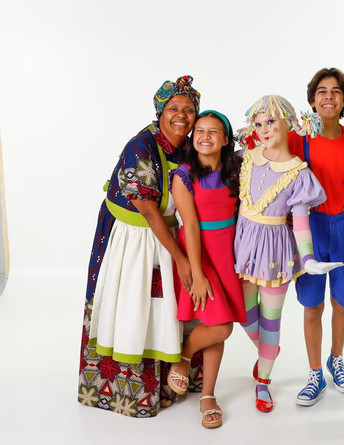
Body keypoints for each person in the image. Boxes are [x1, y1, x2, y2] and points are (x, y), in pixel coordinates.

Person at [78, 76, 200, 418]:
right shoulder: (141, 147)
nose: (181, 116)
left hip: (166, 235)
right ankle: (131, 392)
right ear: (160, 112)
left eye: (189, 110)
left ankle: (169, 382)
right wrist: (181, 259)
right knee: (133, 308)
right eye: (173, 108)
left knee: (165, 308)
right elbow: (147, 209)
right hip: (133, 238)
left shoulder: (188, 146)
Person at [235, 95, 342, 412]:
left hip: (276, 254)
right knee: (244, 314)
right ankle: (268, 350)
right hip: (243, 248)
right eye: (258, 123)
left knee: (270, 320)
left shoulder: (299, 173)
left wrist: (308, 259)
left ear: (289, 123)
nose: (264, 129)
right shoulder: (247, 157)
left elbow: (301, 223)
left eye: (271, 121)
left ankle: (263, 382)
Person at [288, 68, 344, 406]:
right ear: (312, 100)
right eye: (321, 91)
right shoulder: (297, 139)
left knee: (343, 301)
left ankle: (337, 359)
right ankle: (315, 372)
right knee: (311, 304)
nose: (328, 97)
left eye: (335, 91)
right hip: (309, 227)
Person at [167, 110, 244, 428]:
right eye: (199, 130)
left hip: (226, 254)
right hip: (199, 251)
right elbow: (191, 226)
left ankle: (208, 395)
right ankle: (184, 357)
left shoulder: (237, 169)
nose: (205, 136)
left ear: (225, 139)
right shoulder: (184, 175)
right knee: (222, 325)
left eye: (213, 131)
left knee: (217, 323)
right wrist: (197, 275)